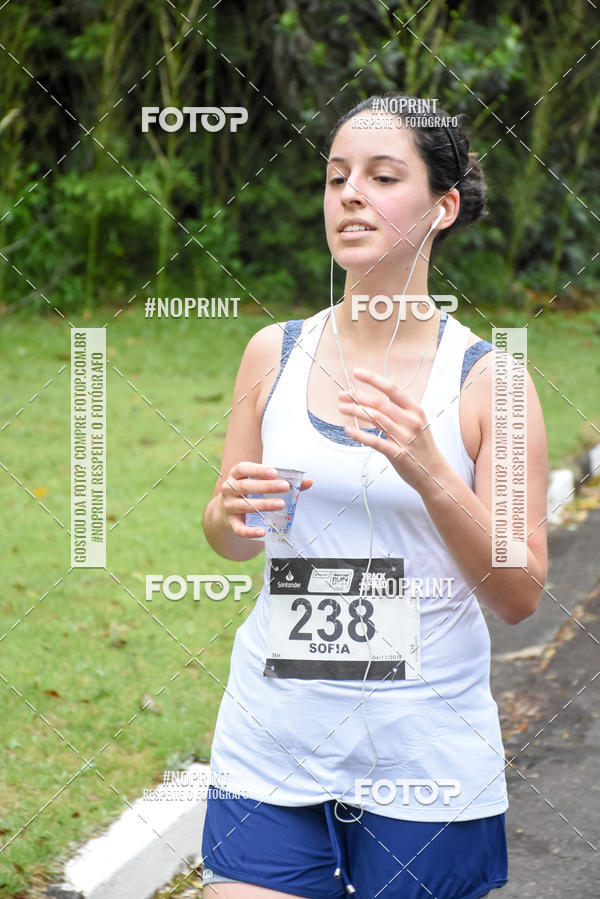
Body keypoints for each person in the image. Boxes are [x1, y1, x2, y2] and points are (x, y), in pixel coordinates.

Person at [200, 94, 548, 899]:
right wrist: (229, 514)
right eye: (335, 177)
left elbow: (521, 591)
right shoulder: (272, 353)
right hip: (272, 736)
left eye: (382, 176)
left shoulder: (489, 383)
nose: (349, 194)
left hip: (423, 755)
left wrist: (429, 471)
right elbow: (228, 535)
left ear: (443, 206)